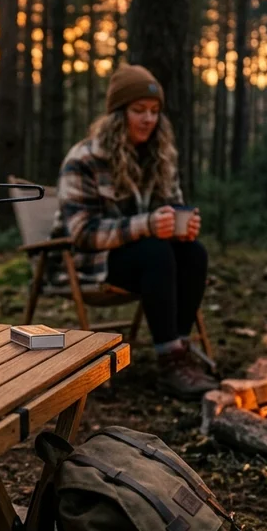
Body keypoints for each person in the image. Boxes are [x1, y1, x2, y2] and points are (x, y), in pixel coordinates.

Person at [52, 64, 216, 399]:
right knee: (155, 250)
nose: (148, 119)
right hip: (90, 263)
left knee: (193, 253)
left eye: (154, 111)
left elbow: (172, 207)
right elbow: (83, 233)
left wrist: (182, 227)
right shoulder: (84, 159)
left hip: (145, 261)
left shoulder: (160, 157)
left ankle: (179, 349)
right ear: (118, 114)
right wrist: (148, 225)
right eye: (139, 110)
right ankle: (170, 360)